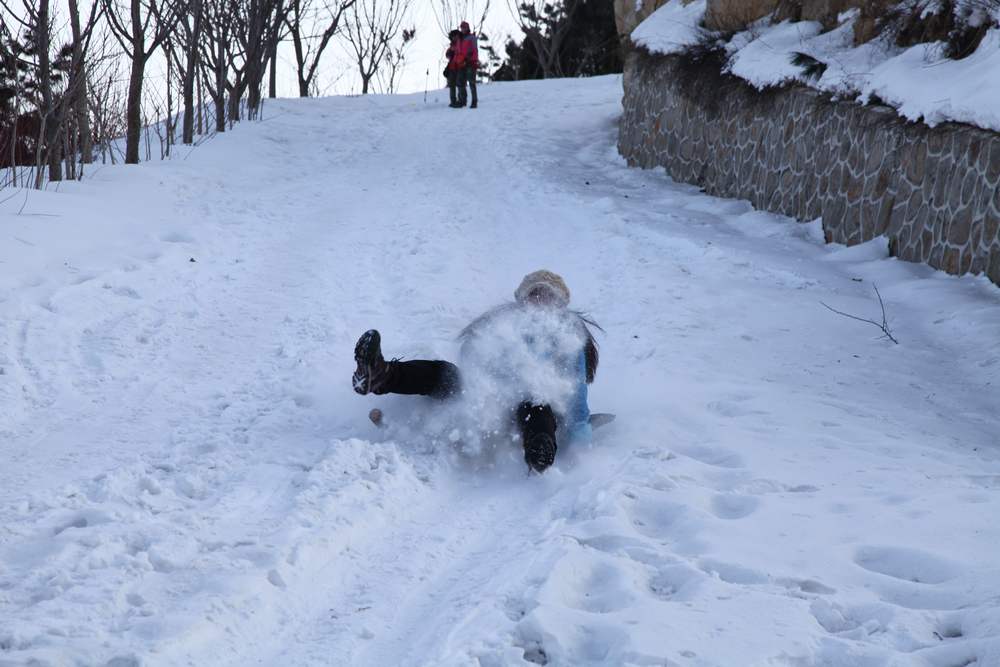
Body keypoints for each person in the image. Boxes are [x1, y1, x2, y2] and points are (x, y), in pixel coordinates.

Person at [352, 270, 600, 473]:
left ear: (559, 304)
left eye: (548, 297)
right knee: (444, 372)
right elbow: (472, 354)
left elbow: (577, 388)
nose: (540, 301)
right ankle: (380, 374)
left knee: (536, 407)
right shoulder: (503, 323)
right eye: (535, 295)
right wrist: (472, 386)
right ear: (523, 299)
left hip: (533, 409)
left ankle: (540, 453)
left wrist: (580, 436)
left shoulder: (569, 337)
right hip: (489, 400)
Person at [455, 21, 479, 109]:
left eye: (464, 27)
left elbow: (475, 50)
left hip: (470, 63)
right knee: (460, 82)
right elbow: (457, 52)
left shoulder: (472, 38)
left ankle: (474, 101)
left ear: (468, 28)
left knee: (471, 82)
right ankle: (462, 101)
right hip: (461, 64)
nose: (463, 29)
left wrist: (471, 60)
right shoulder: (459, 39)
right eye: (461, 28)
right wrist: (458, 61)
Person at [445, 29, 463, 108]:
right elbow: (447, 55)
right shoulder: (452, 45)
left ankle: (460, 100)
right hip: (452, 67)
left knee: (459, 84)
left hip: (459, 66)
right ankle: (453, 101)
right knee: (452, 85)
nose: (454, 38)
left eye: (455, 36)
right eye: (453, 36)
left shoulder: (462, 43)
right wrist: (450, 53)